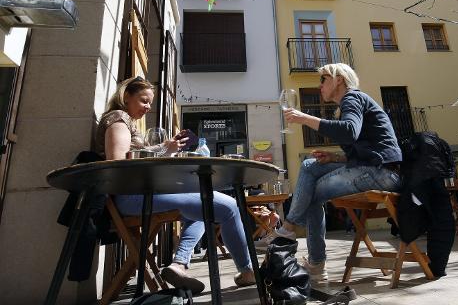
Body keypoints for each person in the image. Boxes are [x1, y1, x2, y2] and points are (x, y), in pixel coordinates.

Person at [96, 76, 255, 293]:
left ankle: (179, 265)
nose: (148, 107)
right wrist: (163, 149)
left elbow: (137, 158)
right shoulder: (118, 118)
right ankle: (247, 271)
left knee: (202, 207)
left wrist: (165, 149)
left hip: (141, 194)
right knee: (229, 207)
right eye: (144, 101)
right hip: (131, 197)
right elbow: (117, 162)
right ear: (126, 96)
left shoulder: (126, 122)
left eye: (150, 102)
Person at [258, 63, 402, 281]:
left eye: (323, 79)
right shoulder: (353, 102)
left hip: (380, 172)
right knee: (309, 167)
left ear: (339, 80)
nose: (320, 86)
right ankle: (301, 246)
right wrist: (335, 157)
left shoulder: (352, 98)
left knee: (311, 193)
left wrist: (304, 118)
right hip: (380, 169)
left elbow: (349, 132)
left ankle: (295, 239)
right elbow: (364, 149)